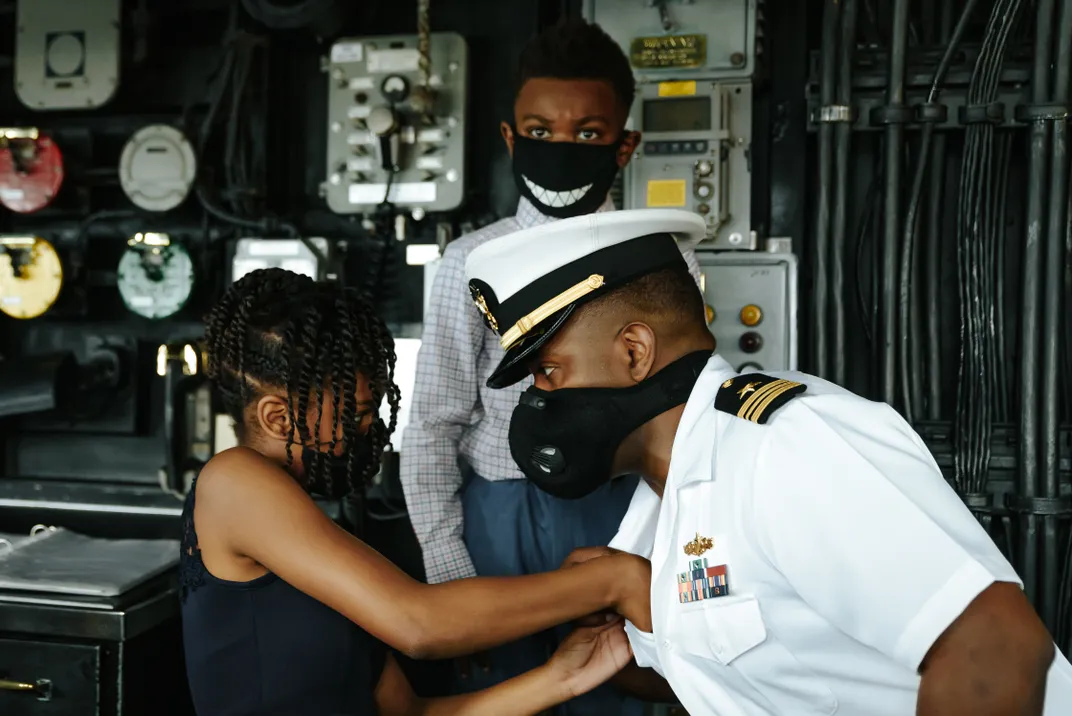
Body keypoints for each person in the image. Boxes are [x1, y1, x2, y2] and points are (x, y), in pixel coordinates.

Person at [464, 208, 1072, 716]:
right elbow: (737, 677)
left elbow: (996, 645)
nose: (536, 401)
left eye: (548, 372)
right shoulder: (659, 503)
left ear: (633, 353)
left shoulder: (786, 447)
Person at [179, 267, 654, 716]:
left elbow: (413, 713)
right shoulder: (232, 483)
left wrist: (563, 677)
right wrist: (610, 582)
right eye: (351, 417)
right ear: (277, 418)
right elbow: (420, 625)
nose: (366, 433)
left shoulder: (319, 541)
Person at [400, 16, 699, 714]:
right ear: (510, 137)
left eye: (588, 135)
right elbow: (433, 425)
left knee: (618, 685)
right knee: (499, 694)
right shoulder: (466, 264)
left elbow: (679, 415)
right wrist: (448, 573)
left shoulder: (665, 258)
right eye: (540, 130)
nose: (561, 149)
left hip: (621, 514)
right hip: (495, 520)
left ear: (625, 146)